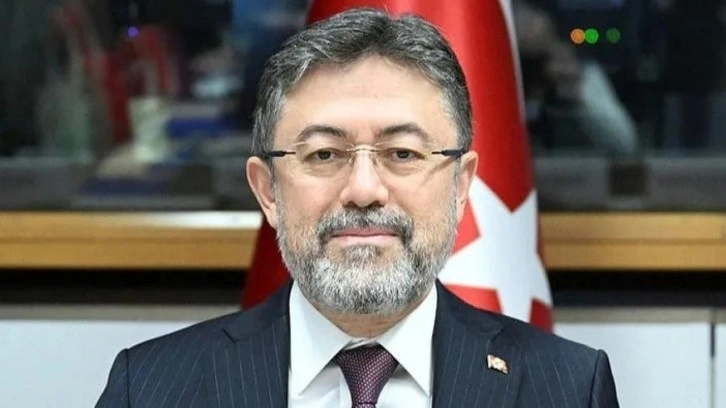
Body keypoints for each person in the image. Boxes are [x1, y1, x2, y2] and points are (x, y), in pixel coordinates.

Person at [96, 7, 619, 408]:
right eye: (324, 154)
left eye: (403, 154)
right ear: (268, 190)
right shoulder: (151, 389)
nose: (364, 190)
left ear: (461, 186)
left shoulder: (568, 388)